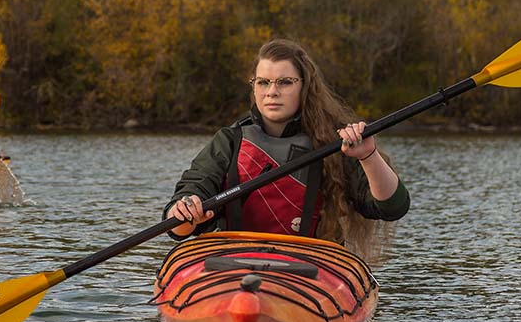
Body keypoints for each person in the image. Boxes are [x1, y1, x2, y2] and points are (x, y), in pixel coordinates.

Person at [164, 39, 409, 255]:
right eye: (263, 82)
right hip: (234, 261)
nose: (272, 92)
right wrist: (186, 210)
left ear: (304, 86)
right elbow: (178, 225)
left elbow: (393, 207)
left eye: (285, 82)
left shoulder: (337, 142)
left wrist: (368, 156)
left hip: (310, 265)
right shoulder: (229, 141)